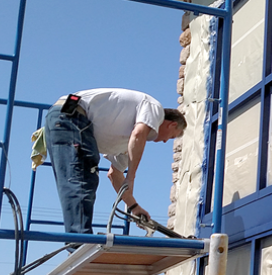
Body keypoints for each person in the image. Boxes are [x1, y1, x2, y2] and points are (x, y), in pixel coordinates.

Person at [43, 88, 186, 235]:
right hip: (71, 114)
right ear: (172, 125)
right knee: (81, 179)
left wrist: (133, 206)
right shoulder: (155, 109)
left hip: (63, 119)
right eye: (170, 137)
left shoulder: (127, 144)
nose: (164, 141)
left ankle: (77, 240)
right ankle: (79, 241)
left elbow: (114, 174)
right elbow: (138, 134)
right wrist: (131, 177)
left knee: (78, 179)